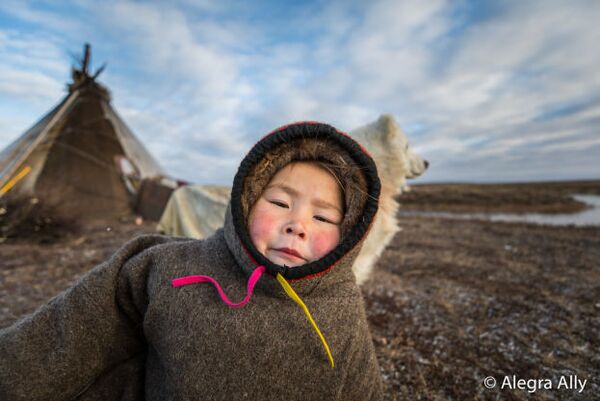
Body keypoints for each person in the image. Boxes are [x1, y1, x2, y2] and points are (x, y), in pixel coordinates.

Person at [0, 122, 384, 400]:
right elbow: (66, 335)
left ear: (349, 232)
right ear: (247, 202)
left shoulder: (341, 308)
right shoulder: (170, 267)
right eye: (280, 202)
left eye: (322, 218)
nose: (297, 225)